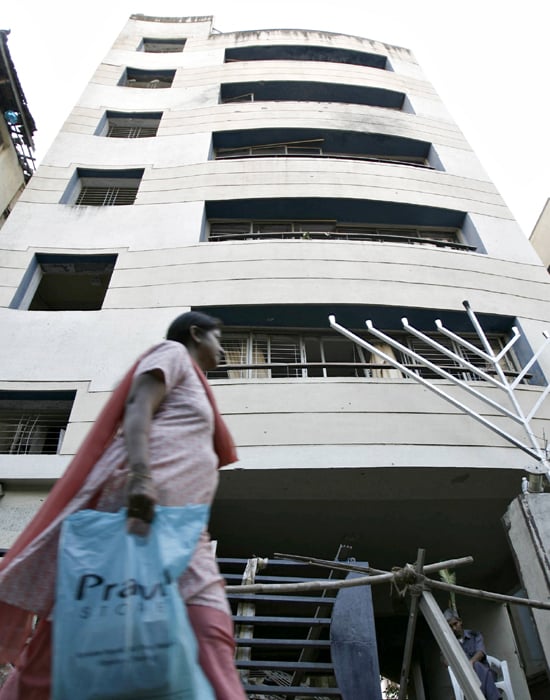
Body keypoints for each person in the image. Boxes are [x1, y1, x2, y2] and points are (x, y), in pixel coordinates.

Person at [0, 311, 247, 700]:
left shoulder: (197, 385)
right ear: (196, 334)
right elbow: (137, 407)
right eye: (220, 338)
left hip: (180, 527)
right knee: (100, 615)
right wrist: (141, 478)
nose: (225, 351)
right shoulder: (171, 353)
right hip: (136, 511)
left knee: (198, 627)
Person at [444, 608, 501, 700]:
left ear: (460, 621)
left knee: (477, 665)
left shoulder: (475, 635)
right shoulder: (449, 643)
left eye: (455, 624)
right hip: (466, 678)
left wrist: (471, 663)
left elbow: (481, 652)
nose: (454, 628)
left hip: (484, 673)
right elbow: (445, 660)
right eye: (450, 626)